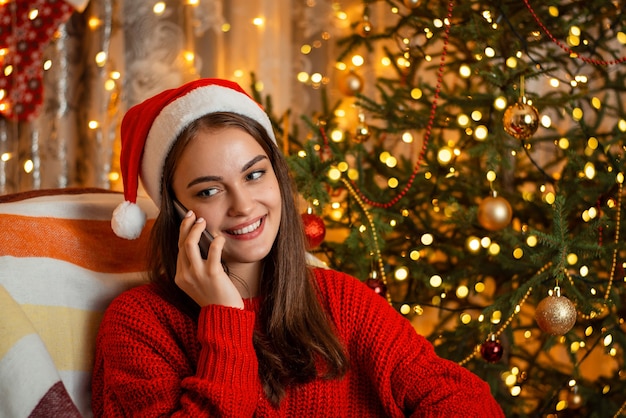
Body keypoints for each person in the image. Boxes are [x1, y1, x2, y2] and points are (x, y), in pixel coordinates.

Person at [92, 78, 505, 417]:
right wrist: (223, 318)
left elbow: (466, 402)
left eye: (254, 175)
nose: (243, 205)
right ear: (177, 210)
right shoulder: (139, 324)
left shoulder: (341, 301)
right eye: (210, 190)